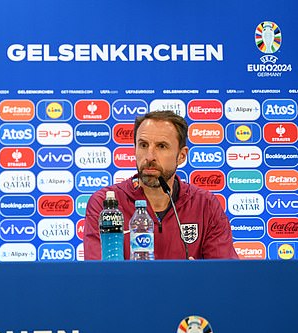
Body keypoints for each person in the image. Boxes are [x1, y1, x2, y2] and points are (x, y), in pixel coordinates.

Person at [84, 110, 237, 260]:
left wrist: (196, 278)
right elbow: (98, 277)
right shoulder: (105, 204)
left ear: (182, 156)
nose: (149, 157)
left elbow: (225, 276)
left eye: (161, 146)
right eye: (143, 145)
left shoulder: (205, 205)